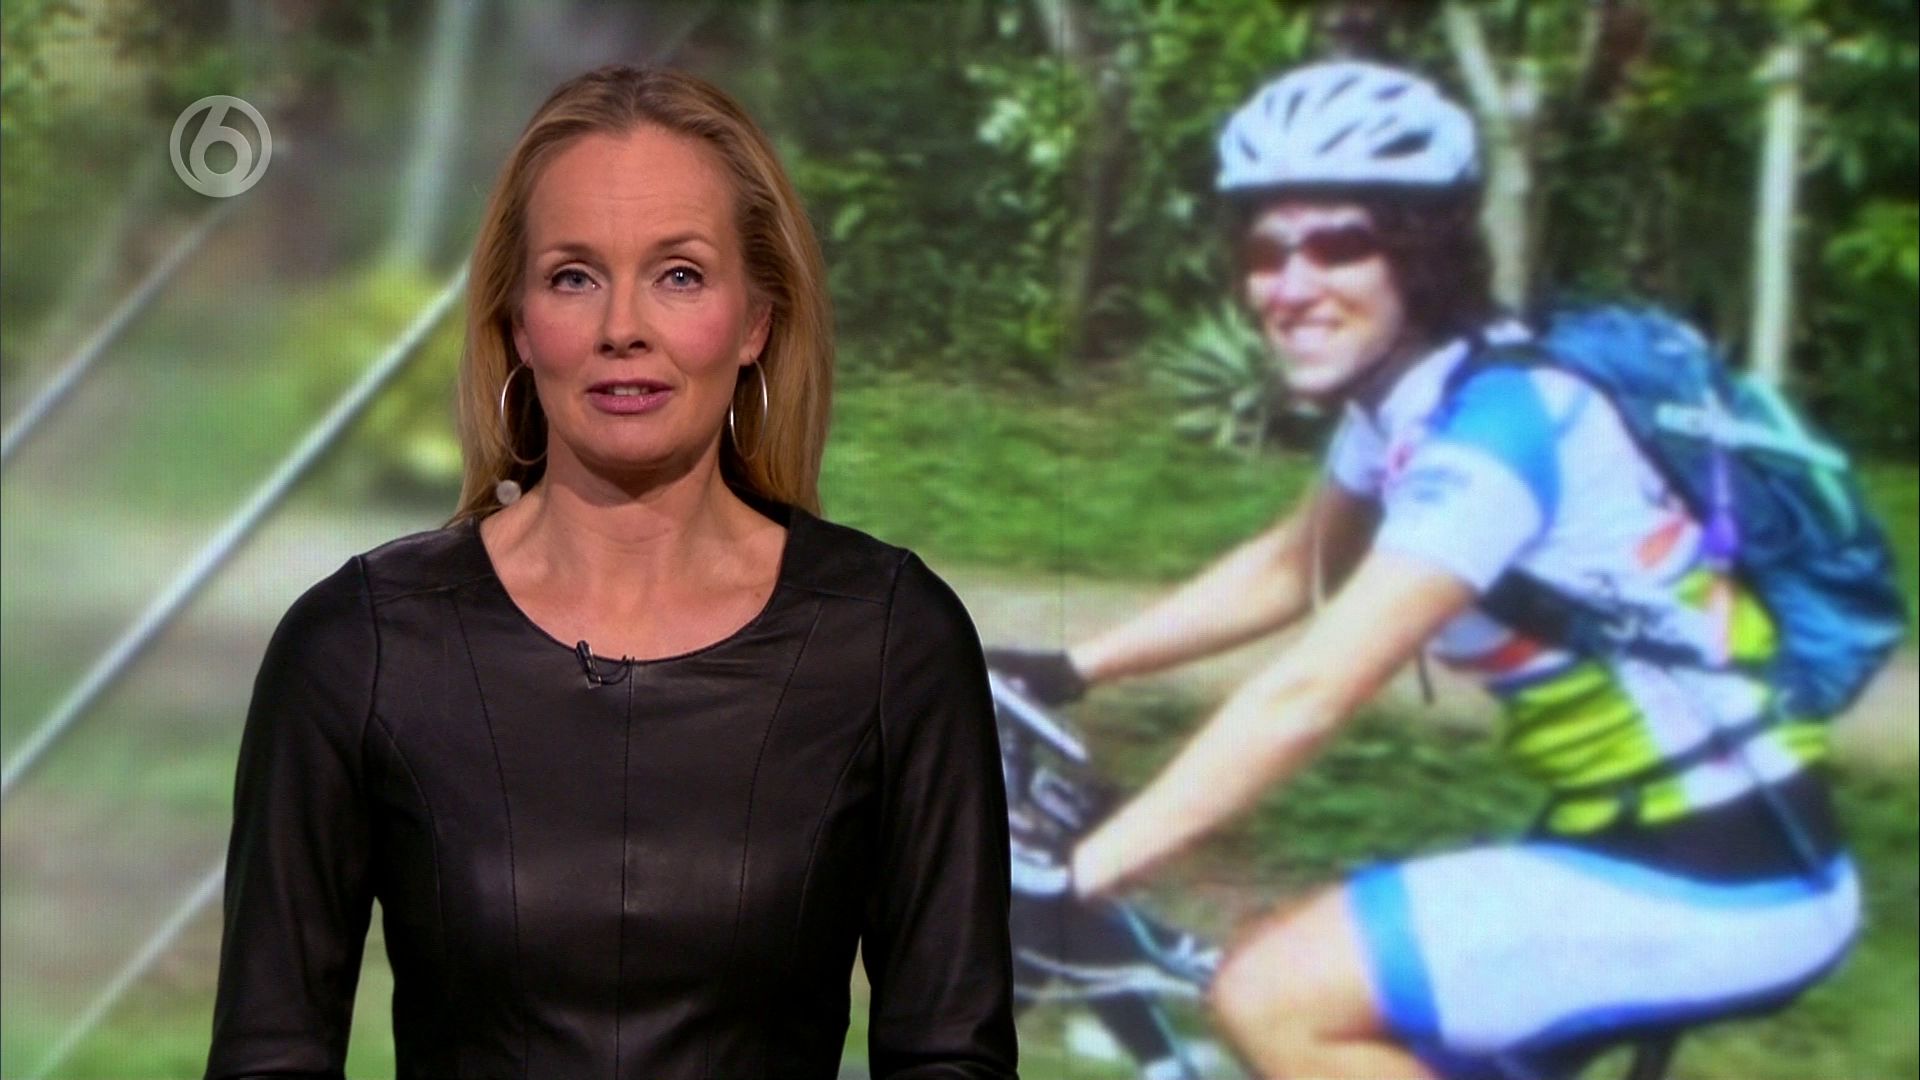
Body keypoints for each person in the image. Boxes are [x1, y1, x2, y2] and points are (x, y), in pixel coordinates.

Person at [992, 60, 1861, 1079]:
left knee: (1273, 996)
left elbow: (1311, 693)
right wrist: (1072, 668)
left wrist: (1081, 876)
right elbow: (1290, 566)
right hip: (1632, 840)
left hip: (1730, 870)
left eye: (1339, 245)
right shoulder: (1415, 397)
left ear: (1421, 251)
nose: (1291, 287)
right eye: (1265, 252)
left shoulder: (1496, 432)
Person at [206, 66, 1018, 1079]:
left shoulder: (890, 641)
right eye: (573, 277)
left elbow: (951, 1056)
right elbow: (270, 1055)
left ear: (757, 319)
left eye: (679, 275)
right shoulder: (358, 647)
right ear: (516, 321)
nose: (621, 327)